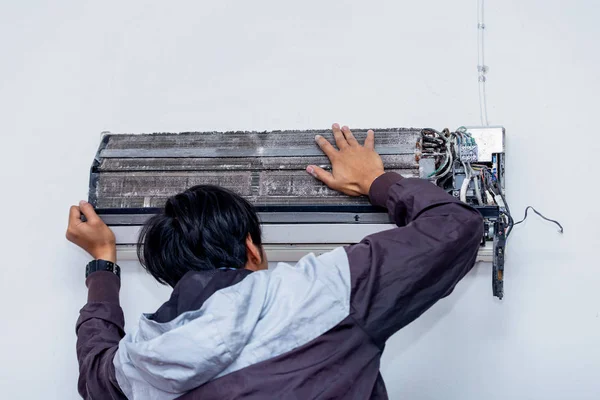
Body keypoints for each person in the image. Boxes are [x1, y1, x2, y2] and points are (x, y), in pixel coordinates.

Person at [67, 124, 483, 400]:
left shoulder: (140, 362)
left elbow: (94, 371)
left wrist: (103, 266)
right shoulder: (324, 293)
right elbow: (454, 228)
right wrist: (376, 181)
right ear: (251, 249)